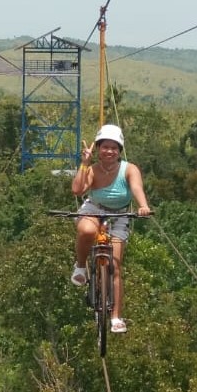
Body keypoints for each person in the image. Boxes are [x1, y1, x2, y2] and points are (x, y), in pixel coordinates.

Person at [69, 123, 152, 334]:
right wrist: (84, 164)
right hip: (94, 209)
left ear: (120, 150)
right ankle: (80, 266)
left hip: (120, 215)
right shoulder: (92, 170)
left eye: (114, 147)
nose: (109, 151)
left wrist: (143, 206)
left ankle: (115, 316)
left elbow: (136, 188)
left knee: (115, 266)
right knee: (87, 231)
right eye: (105, 147)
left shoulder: (129, 169)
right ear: (97, 149)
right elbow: (78, 190)